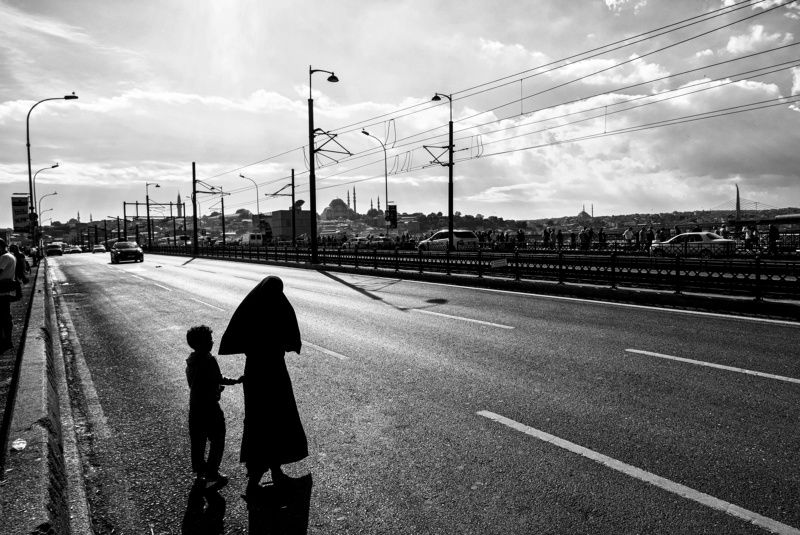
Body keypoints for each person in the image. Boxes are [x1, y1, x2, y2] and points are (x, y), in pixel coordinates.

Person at [218, 276, 307, 497]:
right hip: (274, 372)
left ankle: (272, 473)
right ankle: (257, 480)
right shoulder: (279, 308)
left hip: (257, 374)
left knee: (262, 422)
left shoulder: (251, 309)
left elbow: (237, 338)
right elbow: (289, 339)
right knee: (275, 419)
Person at [185, 325, 242, 489]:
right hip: (210, 407)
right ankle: (212, 471)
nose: (212, 342)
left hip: (195, 407)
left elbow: (196, 384)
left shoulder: (191, 361)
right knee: (217, 438)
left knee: (198, 441)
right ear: (202, 343)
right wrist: (235, 381)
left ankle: (200, 472)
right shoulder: (209, 360)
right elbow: (217, 379)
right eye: (209, 340)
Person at [0, 239, 17, 353]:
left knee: (4, 317)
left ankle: (7, 341)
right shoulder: (10, 256)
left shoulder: (4, 257)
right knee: (5, 316)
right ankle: (7, 340)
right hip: (5, 289)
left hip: (1, 290)